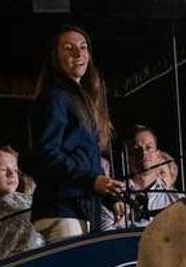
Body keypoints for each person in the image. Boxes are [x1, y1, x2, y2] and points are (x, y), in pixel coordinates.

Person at [25, 26, 123, 243]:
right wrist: (91, 181)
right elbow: (46, 155)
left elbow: (88, 160)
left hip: (81, 207)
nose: (78, 54)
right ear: (55, 58)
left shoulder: (83, 101)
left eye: (83, 47)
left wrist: (109, 198)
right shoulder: (54, 98)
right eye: (69, 49)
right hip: (61, 208)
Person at [119, 124, 177, 227]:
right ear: (128, 157)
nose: (143, 153)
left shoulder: (176, 200)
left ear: (158, 155)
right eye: (136, 149)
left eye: (149, 147)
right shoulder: (116, 197)